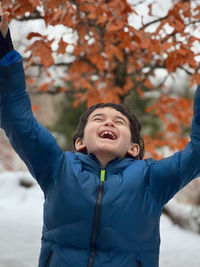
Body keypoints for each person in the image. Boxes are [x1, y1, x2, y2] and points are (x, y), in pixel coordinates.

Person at [0, 9, 200, 267]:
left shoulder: (152, 180)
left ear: (133, 148)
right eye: (98, 119)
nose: (108, 122)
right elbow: (17, 119)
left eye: (119, 122)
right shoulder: (57, 168)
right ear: (80, 142)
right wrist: (4, 47)